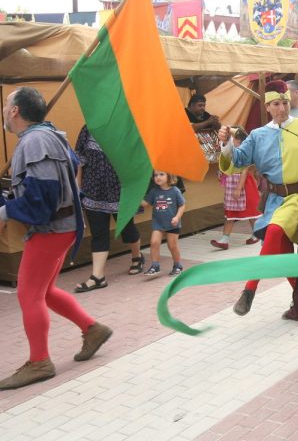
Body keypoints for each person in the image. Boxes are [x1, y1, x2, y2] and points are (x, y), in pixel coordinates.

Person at [0, 87, 112, 390]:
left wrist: (5, 210)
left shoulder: (35, 141)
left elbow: (42, 201)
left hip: (52, 230)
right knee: (44, 292)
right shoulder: (46, 135)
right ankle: (92, 329)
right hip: (61, 227)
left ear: (15, 111)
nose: (4, 110)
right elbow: (72, 169)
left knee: (28, 295)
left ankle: (39, 362)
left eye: (7, 104)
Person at [218, 80, 298, 324]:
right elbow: (236, 162)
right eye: (276, 104)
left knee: (274, 233)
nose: (281, 108)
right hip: (274, 200)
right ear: (268, 106)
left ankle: (250, 288)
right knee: (281, 255)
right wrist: (225, 143)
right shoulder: (258, 136)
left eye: (285, 103)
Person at [74, 125, 145, 292]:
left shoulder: (125, 127)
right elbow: (80, 157)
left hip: (119, 190)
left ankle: (137, 257)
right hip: (93, 191)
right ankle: (98, 276)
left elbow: (136, 160)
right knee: (99, 233)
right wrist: (78, 183)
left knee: (127, 229)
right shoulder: (87, 128)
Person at [210, 127, 261, 250]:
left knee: (251, 213)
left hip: (244, 185)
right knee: (230, 213)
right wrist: (221, 173)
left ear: (239, 140)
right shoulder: (229, 150)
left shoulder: (244, 151)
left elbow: (244, 171)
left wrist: (239, 188)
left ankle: (256, 234)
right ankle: (225, 239)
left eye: (232, 138)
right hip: (232, 184)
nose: (229, 140)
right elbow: (226, 166)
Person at [142, 171, 185, 276]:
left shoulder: (175, 191)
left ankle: (177, 265)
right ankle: (155, 266)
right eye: (156, 175)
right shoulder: (154, 191)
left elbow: (182, 205)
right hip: (158, 223)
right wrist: (135, 199)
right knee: (154, 243)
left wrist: (177, 217)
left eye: (161, 174)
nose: (158, 177)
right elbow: (146, 203)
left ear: (169, 176)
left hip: (172, 224)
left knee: (172, 246)